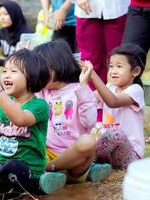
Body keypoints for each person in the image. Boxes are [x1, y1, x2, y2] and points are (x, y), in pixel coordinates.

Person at [0, 49, 67, 199]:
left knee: (14, 166)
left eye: (13, 71)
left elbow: (20, 119)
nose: (6, 75)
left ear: (31, 76)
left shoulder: (39, 105)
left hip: (25, 170)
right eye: (4, 71)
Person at [34, 40, 111, 184]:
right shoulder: (41, 91)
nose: (37, 73)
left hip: (74, 159)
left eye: (40, 68)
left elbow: (89, 122)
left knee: (88, 142)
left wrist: (83, 86)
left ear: (57, 64)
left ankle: (49, 170)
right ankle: (83, 172)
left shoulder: (79, 89)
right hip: (46, 153)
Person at [82, 44, 146, 169]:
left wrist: (93, 75)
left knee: (115, 133)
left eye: (119, 66)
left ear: (135, 71)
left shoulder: (136, 90)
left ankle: (89, 162)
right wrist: (83, 81)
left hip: (131, 155)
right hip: (108, 152)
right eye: (111, 66)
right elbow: (88, 100)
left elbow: (113, 101)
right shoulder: (110, 87)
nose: (113, 70)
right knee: (88, 135)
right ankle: (93, 166)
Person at [75, 0, 130, 90]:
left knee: (118, 58)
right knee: (90, 60)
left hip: (117, 8)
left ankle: (119, 97)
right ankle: (91, 99)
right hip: (86, 10)